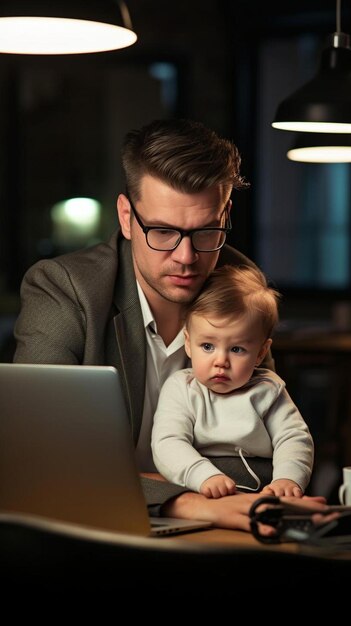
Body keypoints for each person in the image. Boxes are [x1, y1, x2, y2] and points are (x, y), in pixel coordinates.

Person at [13, 118, 327, 532]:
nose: (185, 257)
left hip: (218, 525)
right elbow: (39, 453)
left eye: (205, 231)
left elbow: (257, 443)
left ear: (225, 213)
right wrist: (185, 501)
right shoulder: (63, 288)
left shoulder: (241, 285)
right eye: (162, 231)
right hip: (84, 526)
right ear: (126, 217)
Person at [152, 264, 314, 499]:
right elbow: (168, 442)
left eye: (237, 349)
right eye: (207, 346)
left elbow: (294, 438)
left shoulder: (268, 390)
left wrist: (287, 478)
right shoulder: (182, 389)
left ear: (260, 353)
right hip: (201, 488)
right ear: (188, 343)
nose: (221, 361)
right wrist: (203, 475)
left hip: (264, 489)